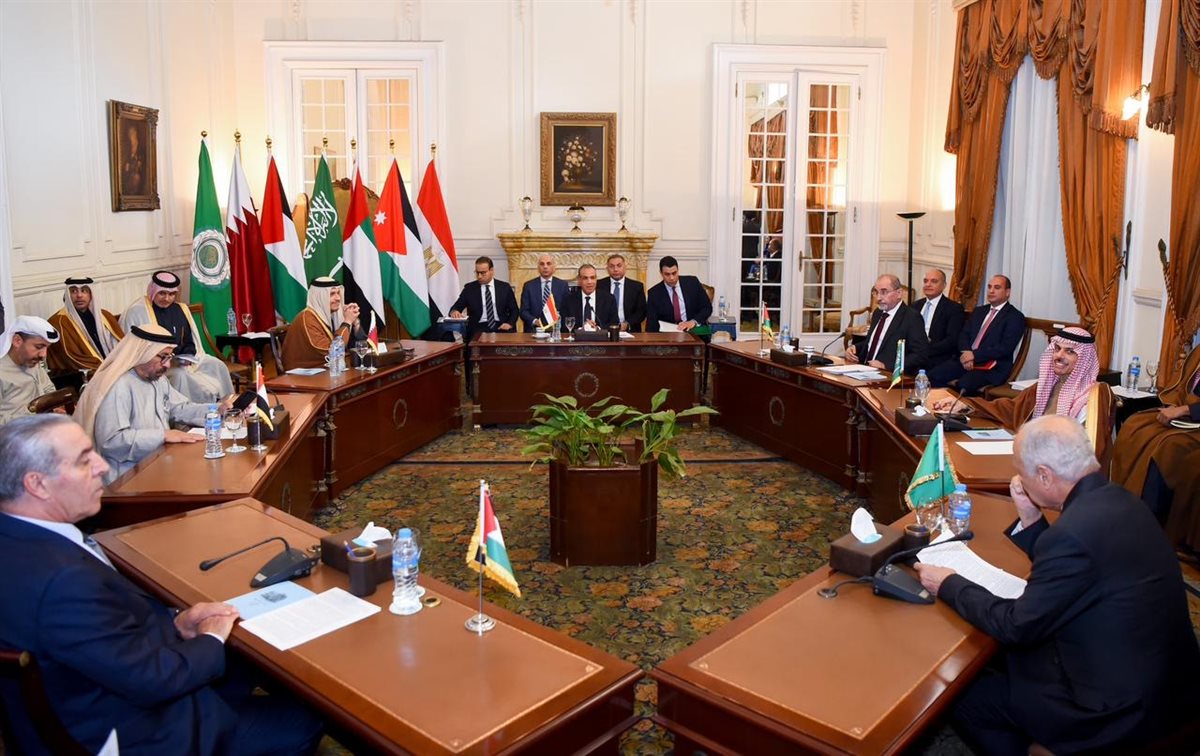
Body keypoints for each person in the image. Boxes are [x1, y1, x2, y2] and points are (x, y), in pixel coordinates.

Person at [0, 414, 323, 755]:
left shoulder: (21, 538)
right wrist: (211, 636)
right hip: (133, 730)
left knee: (248, 663)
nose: (102, 467)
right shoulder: (64, 582)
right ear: (37, 484)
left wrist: (175, 621)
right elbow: (152, 680)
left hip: (91, 683)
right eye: (84, 460)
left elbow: (100, 633)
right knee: (303, 718)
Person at [915, 415, 1200, 755]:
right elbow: (1078, 569)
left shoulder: (1072, 534)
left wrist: (948, 583)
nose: (1018, 480)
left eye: (1021, 472)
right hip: (1173, 686)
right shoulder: (1124, 501)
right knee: (1002, 663)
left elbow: (1017, 627)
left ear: (1045, 476)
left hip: (1117, 715)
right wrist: (1032, 518)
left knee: (959, 695)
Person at [933, 327, 1114, 463]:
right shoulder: (1045, 385)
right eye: (1057, 348)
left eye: (1070, 351)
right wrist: (967, 405)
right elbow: (1013, 409)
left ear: (1084, 359)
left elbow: (1087, 448)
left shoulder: (1093, 396)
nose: (1059, 356)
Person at [74, 324, 228, 483]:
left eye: (169, 357)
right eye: (163, 357)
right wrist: (163, 436)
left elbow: (179, 408)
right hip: (126, 477)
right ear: (143, 353)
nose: (167, 365)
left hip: (158, 461)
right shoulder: (118, 386)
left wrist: (217, 410)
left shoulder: (156, 378)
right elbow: (112, 441)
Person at [1112, 343, 1200, 545]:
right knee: (1136, 425)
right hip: (1189, 414)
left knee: (1168, 446)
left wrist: (1185, 410)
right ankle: (1120, 510)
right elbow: (1183, 387)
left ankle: (1147, 527)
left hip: (1193, 418)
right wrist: (1176, 406)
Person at [119, 270, 234, 403]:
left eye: (171, 294)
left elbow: (189, 340)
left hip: (181, 360)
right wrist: (169, 358)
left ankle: (228, 404)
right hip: (159, 363)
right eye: (162, 293)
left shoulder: (180, 309)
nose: (167, 298)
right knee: (181, 375)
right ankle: (192, 410)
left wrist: (188, 355)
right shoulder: (139, 311)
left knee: (217, 365)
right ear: (153, 291)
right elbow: (139, 349)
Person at [928, 275, 1026, 395]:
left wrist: (974, 355)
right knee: (933, 375)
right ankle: (937, 404)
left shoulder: (1015, 317)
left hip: (992, 367)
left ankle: (957, 406)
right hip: (966, 361)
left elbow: (1005, 348)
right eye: (989, 287)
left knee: (965, 384)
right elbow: (963, 335)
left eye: (997, 287)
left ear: (1007, 292)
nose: (991, 291)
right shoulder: (979, 311)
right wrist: (966, 353)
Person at [844, 274, 928, 374]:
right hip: (864, 370)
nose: (878, 298)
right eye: (876, 292)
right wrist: (855, 348)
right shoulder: (878, 313)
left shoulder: (912, 317)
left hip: (889, 375)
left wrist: (886, 366)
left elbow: (920, 355)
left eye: (884, 292)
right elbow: (875, 342)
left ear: (899, 293)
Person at [46, 276, 124, 375]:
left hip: (114, 369)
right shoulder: (58, 323)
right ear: (67, 295)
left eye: (84, 291)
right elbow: (71, 358)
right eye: (74, 291)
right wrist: (105, 369)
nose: (79, 295)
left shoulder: (105, 316)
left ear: (91, 294)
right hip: (87, 375)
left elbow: (121, 344)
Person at [280, 277, 361, 371]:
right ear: (319, 297)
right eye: (332, 294)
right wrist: (347, 322)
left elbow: (359, 345)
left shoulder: (331, 314)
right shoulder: (307, 318)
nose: (338, 298)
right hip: (303, 374)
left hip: (327, 370)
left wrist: (355, 322)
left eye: (338, 293)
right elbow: (333, 351)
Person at [0, 316, 61, 424]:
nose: (43, 355)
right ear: (17, 341)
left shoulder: (33, 363)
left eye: (47, 348)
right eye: (39, 347)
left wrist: (56, 407)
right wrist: (33, 414)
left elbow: (48, 389)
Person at [449, 256, 518, 340]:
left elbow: (514, 310)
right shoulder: (469, 289)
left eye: (483, 273)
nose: (479, 276)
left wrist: (509, 324)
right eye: (477, 273)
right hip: (478, 328)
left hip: (501, 326)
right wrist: (455, 311)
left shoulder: (504, 287)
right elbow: (456, 307)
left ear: (491, 271)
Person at [910, 268, 964, 372]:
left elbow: (951, 340)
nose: (928, 284)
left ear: (944, 285)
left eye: (934, 281)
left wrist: (924, 351)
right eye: (925, 281)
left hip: (937, 357)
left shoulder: (953, 309)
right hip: (913, 355)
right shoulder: (915, 306)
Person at [645, 256, 712, 333]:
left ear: (678, 270)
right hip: (669, 335)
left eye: (674, 273)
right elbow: (651, 323)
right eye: (667, 274)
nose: (671, 278)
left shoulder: (692, 283)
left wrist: (693, 322)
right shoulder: (654, 293)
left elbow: (707, 308)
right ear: (661, 273)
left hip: (693, 331)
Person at [518, 254, 569, 332]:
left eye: (548, 263)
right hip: (534, 330)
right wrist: (535, 321)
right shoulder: (528, 286)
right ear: (538, 268)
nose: (545, 267)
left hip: (556, 330)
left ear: (554, 267)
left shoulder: (563, 285)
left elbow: (567, 309)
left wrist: (557, 320)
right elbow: (523, 311)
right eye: (542, 264)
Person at [597, 253, 647, 332]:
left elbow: (641, 312)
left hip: (630, 330)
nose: (615, 269)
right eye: (612, 266)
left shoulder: (637, 287)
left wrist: (627, 323)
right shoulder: (599, 285)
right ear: (607, 269)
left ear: (625, 267)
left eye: (619, 266)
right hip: (605, 329)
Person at [562, 264, 618, 331]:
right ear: (579, 280)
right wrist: (581, 329)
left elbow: (614, 323)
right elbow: (564, 326)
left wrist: (598, 329)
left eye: (592, 278)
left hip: (600, 337)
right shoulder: (569, 300)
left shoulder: (609, 299)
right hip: (577, 337)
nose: (589, 282)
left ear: (596, 279)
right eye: (585, 278)